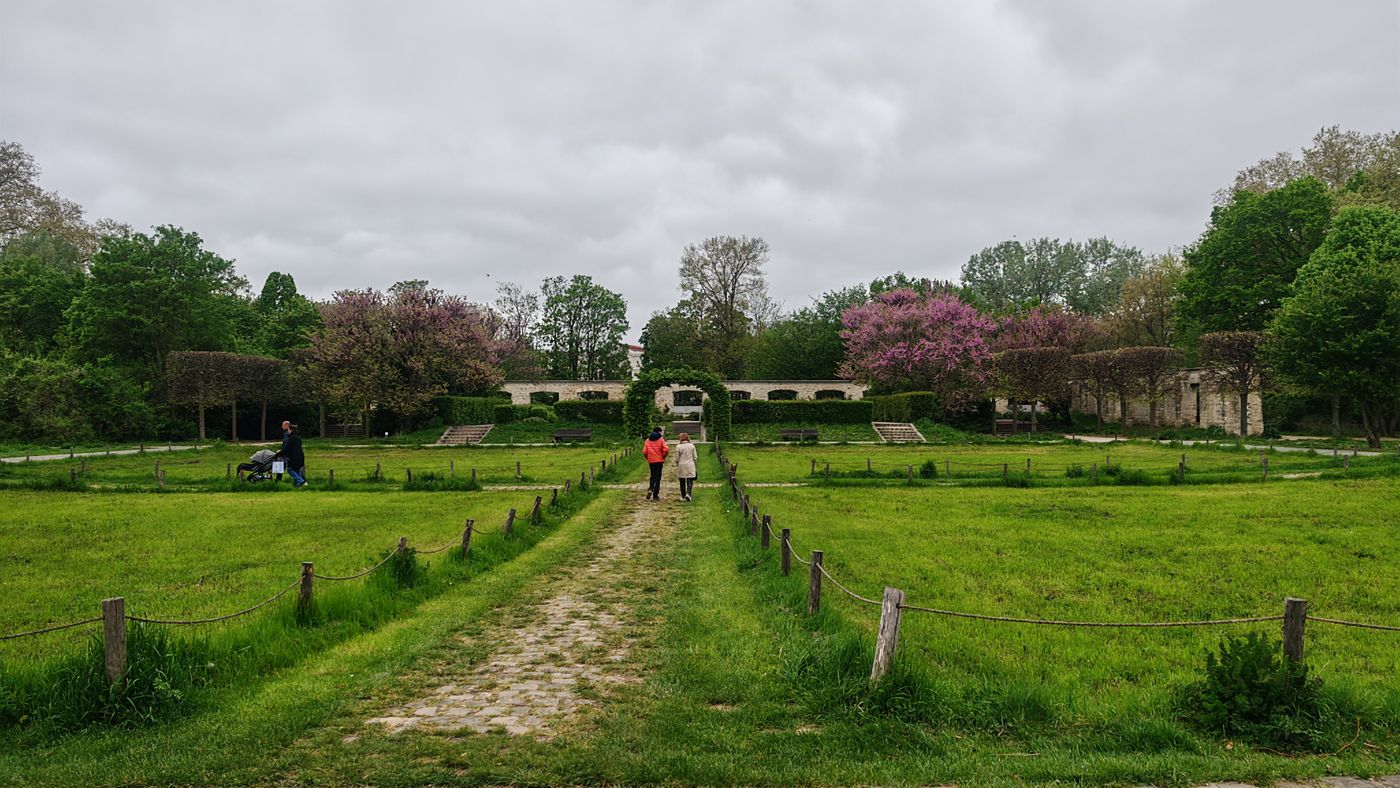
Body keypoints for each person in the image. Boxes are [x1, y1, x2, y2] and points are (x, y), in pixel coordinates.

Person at [276, 420, 307, 487]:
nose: (288, 431)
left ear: (291, 430)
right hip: (300, 456)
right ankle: (298, 486)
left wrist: (279, 453)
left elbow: (286, 447)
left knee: (290, 470)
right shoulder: (298, 437)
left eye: (289, 430)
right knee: (297, 470)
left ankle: (302, 482)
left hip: (294, 457)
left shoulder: (291, 438)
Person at [642, 426, 669, 500]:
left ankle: (651, 488)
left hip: (651, 461)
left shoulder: (648, 440)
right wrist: (663, 456)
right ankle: (655, 495)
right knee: (658, 477)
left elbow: (644, 451)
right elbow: (666, 449)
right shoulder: (661, 440)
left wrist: (647, 457)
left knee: (652, 475)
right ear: (659, 432)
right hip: (659, 460)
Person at [673, 432, 697, 501]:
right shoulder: (692, 446)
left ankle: (683, 495)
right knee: (690, 480)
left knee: (682, 481)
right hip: (690, 464)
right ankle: (688, 494)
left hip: (681, 464)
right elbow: (695, 457)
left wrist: (677, 464)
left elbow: (677, 458)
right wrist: (695, 465)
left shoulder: (678, 446)